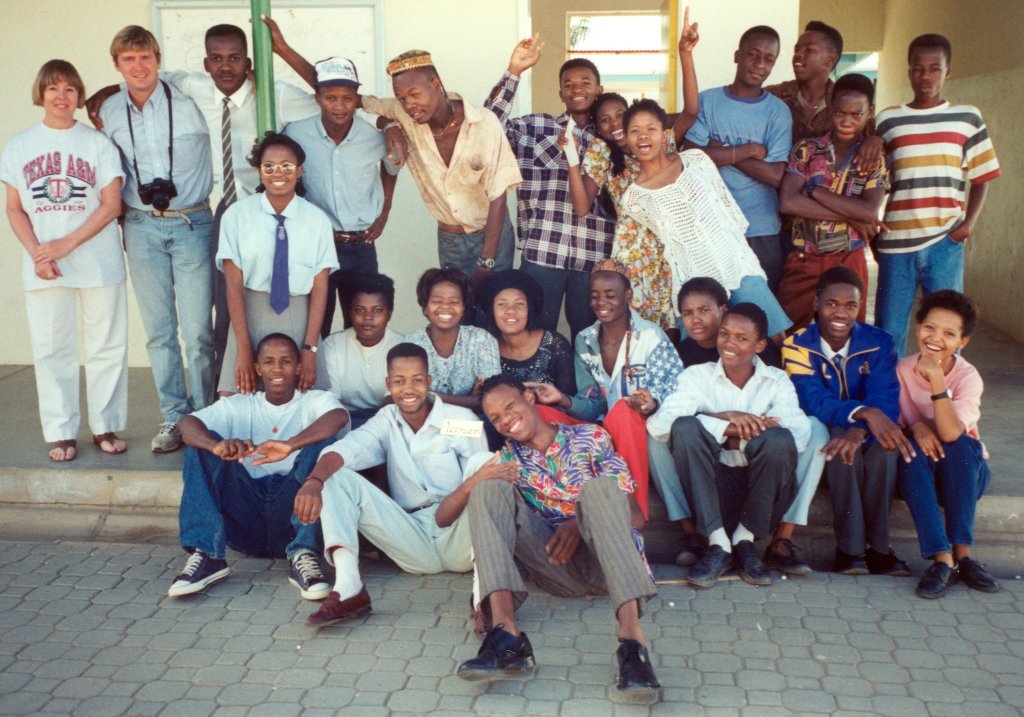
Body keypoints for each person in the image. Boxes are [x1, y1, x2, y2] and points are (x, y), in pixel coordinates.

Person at [87, 23, 320, 380]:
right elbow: (142, 75)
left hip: (270, 208)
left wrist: (283, 50)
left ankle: (283, 386)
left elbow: (328, 93)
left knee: (278, 299)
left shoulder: (274, 94)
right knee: (225, 309)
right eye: (216, 58)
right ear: (206, 63)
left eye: (235, 58)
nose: (225, 66)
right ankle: (226, 391)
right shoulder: (195, 87)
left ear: (248, 63)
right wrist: (103, 93)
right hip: (226, 211)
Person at [451, 375, 661, 703]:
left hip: (611, 568)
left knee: (600, 490)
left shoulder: (590, 438)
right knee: (488, 490)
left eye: (510, 406)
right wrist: (474, 481)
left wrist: (580, 522)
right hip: (557, 569)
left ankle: (633, 649)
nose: (505, 419)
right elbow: (442, 517)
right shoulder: (510, 461)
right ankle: (506, 637)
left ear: (530, 398)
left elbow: (634, 516)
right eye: (496, 418)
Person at [293, 342, 489, 626]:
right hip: (412, 538)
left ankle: (485, 596)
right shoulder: (386, 420)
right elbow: (348, 448)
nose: (408, 389)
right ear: (388, 384)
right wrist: (314, 480)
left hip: (460, 534)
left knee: (483, 467)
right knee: (335, 474)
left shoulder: (460, 420)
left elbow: (481, 479)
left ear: (429, 382)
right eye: (399, 381)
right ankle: (349, 589)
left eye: (417, 380)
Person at [1, 60, 128, 462]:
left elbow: (111, 205)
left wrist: (65, 244)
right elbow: (15, 209)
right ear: (41, 93)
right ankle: (61, 431)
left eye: (70, 89)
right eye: (53, 89)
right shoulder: (20, 145)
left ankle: (105, 425)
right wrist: (39, 252)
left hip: (97, 259)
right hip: (44, 264)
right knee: (53, 348)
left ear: (79, 96)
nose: (61, 97)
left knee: (106, 346)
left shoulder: (97, 144)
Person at [98, 25, 215, 453]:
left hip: (191, 223)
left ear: (158, 58)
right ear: (116, 66)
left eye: (145, 56)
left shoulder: (191, 97)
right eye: (129, 59)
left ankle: (204, 417)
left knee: (199, 331)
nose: (139, 66)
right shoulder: (108, 110)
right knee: (159, 332)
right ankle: (174, 417)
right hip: (142, 225)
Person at [169, 333, 347, 599]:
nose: (277, 368)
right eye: (269, 361)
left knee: (323, 445)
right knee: (201, 447)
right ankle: (208, 556)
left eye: (286, 361)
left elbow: (338, 417)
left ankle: (303, 553)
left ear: (298, 367)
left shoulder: (314, 400)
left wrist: (291, 444)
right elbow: (186, 424)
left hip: (292, 517)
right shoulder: (240, 404)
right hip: (246, 518)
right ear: (257, 368)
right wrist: (216, 446)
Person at [650, 304, 810, 589]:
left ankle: (744, 542)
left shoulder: (776, 381)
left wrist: (731, 436)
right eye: (724, 333)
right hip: (711, 490)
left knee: (779, 440)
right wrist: (725, 421)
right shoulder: (696, 376)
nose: (729, 343)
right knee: (685, 427)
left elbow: (797, 435)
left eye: (741, 337)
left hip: (759, 492)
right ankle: (719, 545)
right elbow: (660, 425)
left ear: (760, 345)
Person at [566, 15, 701, 330]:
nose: (613, 124)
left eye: (619, 116)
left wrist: (685, 54)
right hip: (633, 255)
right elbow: (582, 206)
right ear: (597, 129)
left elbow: (691, 111)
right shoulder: (602, 155)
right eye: (604, 120)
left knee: (674, 329)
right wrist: (571, 156)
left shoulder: (655, 143)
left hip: (671, 247)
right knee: (635, 331)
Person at [619, 99, 793, 341]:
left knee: (774, 337)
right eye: (635, 131)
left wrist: (738, 250)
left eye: (651, 128)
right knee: (701, 354)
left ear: (664, 133)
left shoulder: (696, 160)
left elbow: (729, 211)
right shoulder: (634, 198)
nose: (643, 136)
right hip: (692, 282)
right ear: (626, 138)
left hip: (736, 264)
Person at [782, 267, 915, 575]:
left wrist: (860, 426)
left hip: (866, 428)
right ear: (816, 304)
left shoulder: (880, 342)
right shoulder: (797, 345)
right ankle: (849, 550)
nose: (840, 313)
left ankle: (879, 549)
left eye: (850, 305)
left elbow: (884, 398)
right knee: (841, 447)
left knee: (885, 448)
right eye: (831, 304)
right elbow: (813, 400)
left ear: (859, 307)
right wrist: (863, 414)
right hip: (825, 427)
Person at [874, 34, 1000, 355]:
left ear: (948, 72)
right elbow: (873, 181)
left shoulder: (966, 118)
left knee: (946, 331)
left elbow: (982, 175)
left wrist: (968, 225)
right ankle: (889, 402)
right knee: (889, 332)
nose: (926, 76)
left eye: (934, 68)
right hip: (896, 244)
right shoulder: (888, 121)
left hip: (945, 242)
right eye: (918, 68)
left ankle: (943, 400)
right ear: (908, 72)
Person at [482, 35, 613, 338]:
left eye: (585, 82)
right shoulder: (535, 128)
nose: (577, 89)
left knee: (592, 337)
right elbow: (489, 126)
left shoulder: (612, 138)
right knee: (535, 335)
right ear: (560, 93)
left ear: (599, 90)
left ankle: (587, 389)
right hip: (542, 252)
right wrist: (514, 71)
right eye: (568, 84)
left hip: (593, 258)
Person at [544, 269, 685, 522]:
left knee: (624, 411)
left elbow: (676, 392)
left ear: (628, 296)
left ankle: (637, 517)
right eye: (595, 296)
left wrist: (650, 404)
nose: (601, 303)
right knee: (542, 413)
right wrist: (561, 399)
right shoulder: (584, 340)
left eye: (610, 295)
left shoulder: (651, 337)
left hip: (643, 428)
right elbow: (592, 403)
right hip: (602, 430)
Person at [284, 57, 400, 337]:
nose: (339, 106)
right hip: (318, 245)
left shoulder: (372, 136)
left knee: (361, 326)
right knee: (315, 325)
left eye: (347, 98)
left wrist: (383, 213)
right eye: (330, 98)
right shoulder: (296, 134)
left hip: (361, 246)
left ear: (355, 99)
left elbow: (391, 167)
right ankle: (316, 381)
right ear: (318, 98)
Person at [216, 133, 337, 396]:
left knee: (309, 396)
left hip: (299, 315)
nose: (278, 173)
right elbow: (233, 286)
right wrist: (243, 348)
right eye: (269, 166)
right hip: (250, 313)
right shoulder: (236, 216)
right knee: (234, 396)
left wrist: (310, 349)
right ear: (259, 172)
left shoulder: (317, 220)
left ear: (299, 171)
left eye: (287, 166)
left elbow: (320, 289)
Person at [896, 291, 998, 599]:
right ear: (917, 328)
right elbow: (898, 418)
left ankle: (963, 555)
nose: (935, 338)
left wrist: (938, 381)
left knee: (961, 447)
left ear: (962, 342)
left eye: (949, 333)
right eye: (929, 327)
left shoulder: (968, 377)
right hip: (920, 476)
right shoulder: (902, 370)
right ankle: (942, 559)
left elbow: (953, 433)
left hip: (965, 475)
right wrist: (915, 428)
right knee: (910, 451)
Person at [778, 73, 889, 332]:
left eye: (856, 114)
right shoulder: (806, 150)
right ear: (830, 109)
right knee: (791, 336)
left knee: (845, 335)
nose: (847, 121)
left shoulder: (874, 159)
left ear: (870, 112)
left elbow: (869, 210)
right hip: (804, 258)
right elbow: (788, 202)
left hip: (848, 260)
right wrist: (852, 216)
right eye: (840, 113)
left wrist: (816, 192)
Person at [684, 25, 793, 291]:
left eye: (769, 60)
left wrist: (722, 151)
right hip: (711, 229)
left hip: (761, 230)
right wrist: (748, 150)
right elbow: (690, 155)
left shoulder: (778, 113)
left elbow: (775, 175)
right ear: (737, 55)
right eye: (753, 55)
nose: (759, 64)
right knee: (712, 314)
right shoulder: (707, 101)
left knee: (761, 318)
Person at [406, 268, 501, 414]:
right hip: (424, 423)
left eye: (454, 301)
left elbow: (493, 399)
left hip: (471, 425)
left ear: (463, 307)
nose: (445, 307)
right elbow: (404, 398)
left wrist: (431, 396)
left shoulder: (481, 339)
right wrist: (471, 399)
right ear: (425, 307)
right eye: (437, 301)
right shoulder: (411, 344)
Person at [317, 273, 405, 429]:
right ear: (350, 313)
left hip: (385, 421)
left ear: (389, 313)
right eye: (360, 310)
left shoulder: (402, 346)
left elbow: (393, 403)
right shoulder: (333, 345)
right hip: (343, 420)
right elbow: (330, 402)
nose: (368, 318)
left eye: (377, 310)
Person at [481, 269, 577, 399]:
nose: (510, 310)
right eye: (501, 304)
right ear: (492, 311)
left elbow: (569, 399)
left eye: (519, 304)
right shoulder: (486, 347)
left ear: (529, 310)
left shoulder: (554, 344)